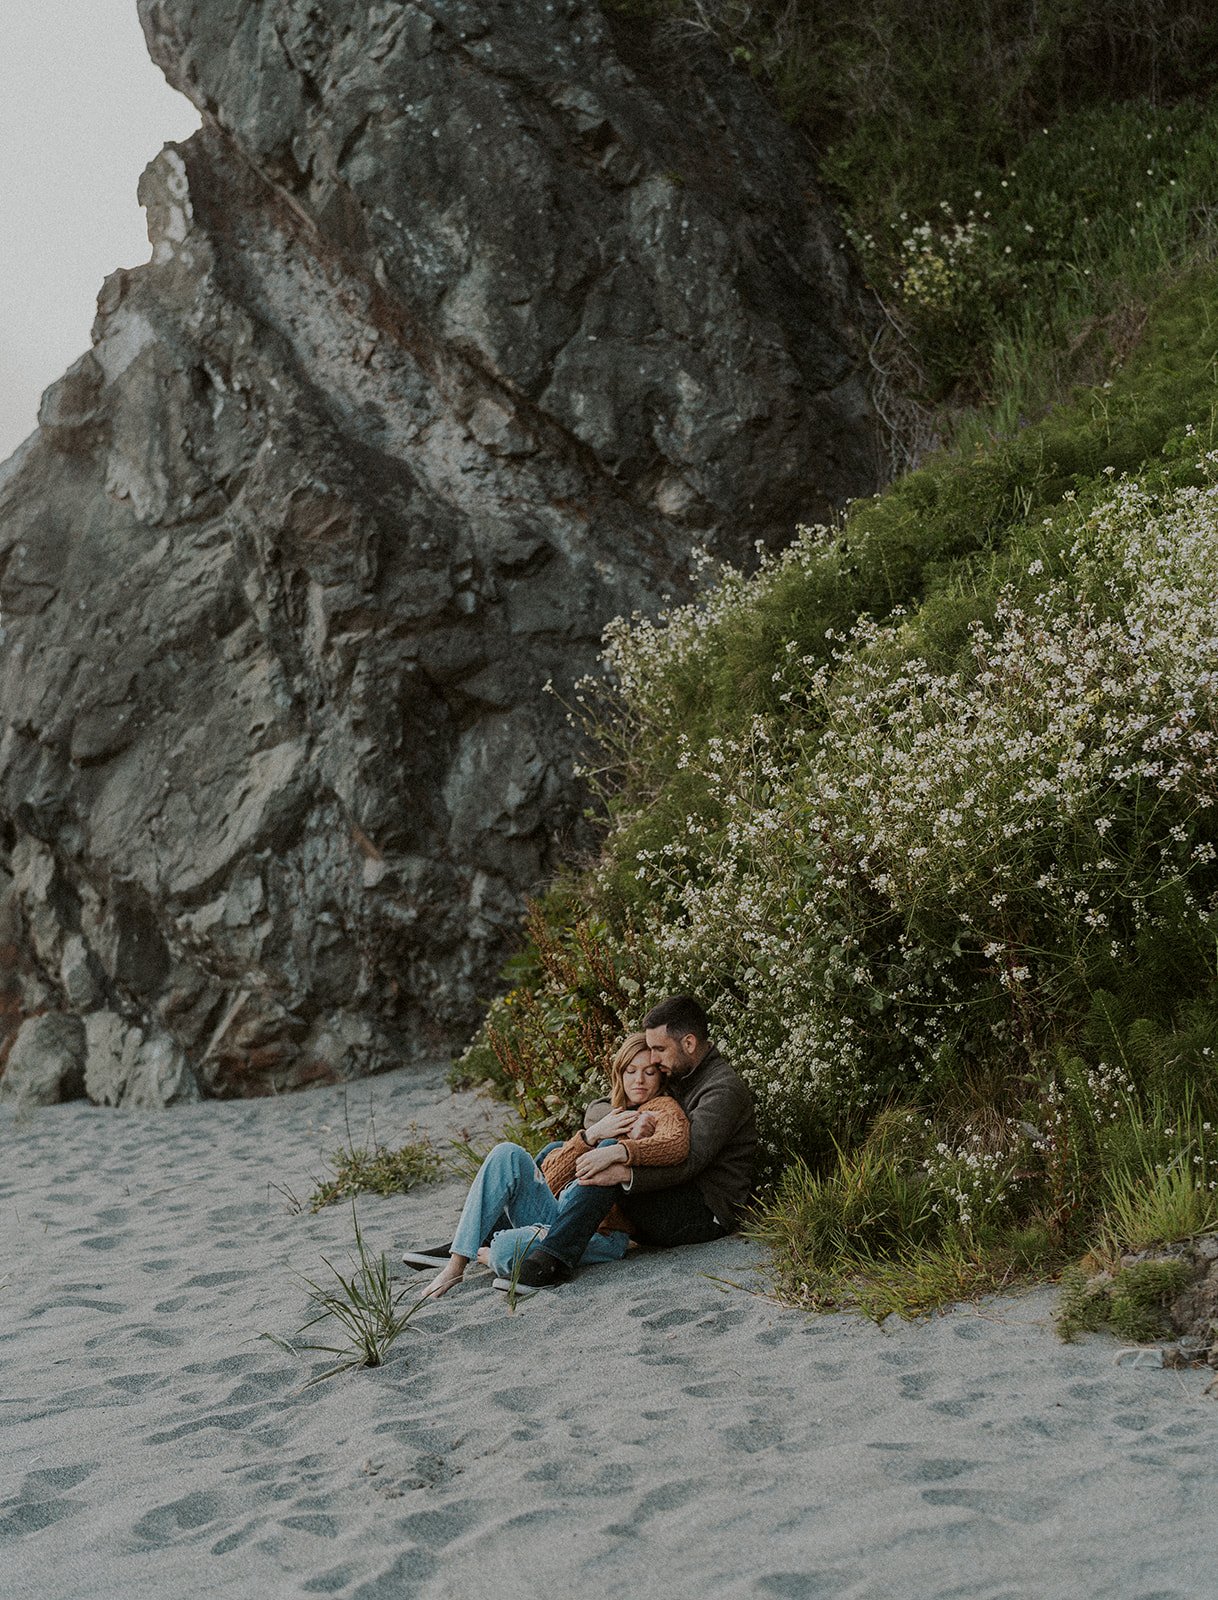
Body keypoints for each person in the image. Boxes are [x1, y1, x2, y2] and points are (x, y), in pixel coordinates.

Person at [414, 1032, 689, 1297]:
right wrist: (590, 1136)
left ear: (660, 1077)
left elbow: (676, 1143)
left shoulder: (662, 1108)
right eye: (630, 1070)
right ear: (619, 1073)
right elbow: (551, 1179)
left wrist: (623, 1149)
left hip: (600, 1231)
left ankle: (486, 1248)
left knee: (503, 1250)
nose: (638, 1080)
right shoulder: (608, 1114)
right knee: (506, 1152)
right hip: (560, 1211)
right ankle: (456, 1264)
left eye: (648, 1072)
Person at [511, 994, 757, 1289]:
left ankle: (552, 1259)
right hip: (672, 1193)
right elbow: (607, 1104)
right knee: (557, 1150)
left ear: (689, 1043)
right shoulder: (680, 1071)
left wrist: (624, 1169)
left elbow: (690, 1160)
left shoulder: (721, 1090)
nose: (653, 1059)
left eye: (659, 1050)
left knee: (607, 1164)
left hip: (705, 1214)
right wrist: (607, 1127)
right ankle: (488, 1233)